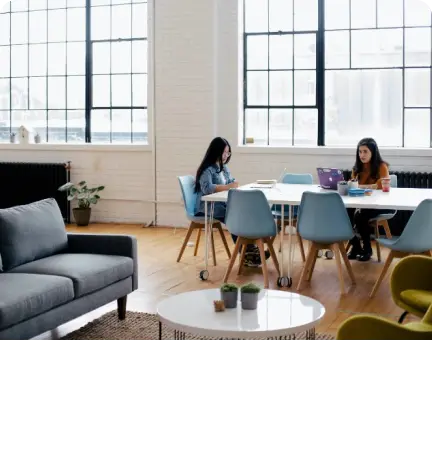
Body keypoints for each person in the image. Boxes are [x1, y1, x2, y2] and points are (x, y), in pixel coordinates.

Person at [194, 137, 269, 267]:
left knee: (242, 213)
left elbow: (231, 182)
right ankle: (246, 253)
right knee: (235, 217)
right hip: (209, 206)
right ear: (216, 151)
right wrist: (228, 187)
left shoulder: (224, 168)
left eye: (228, 153)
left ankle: (250, 250)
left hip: (222, 203)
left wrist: (233, 184)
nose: (226, 155)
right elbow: (207, 189)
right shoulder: (207, 169)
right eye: (224, 152)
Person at [347, 137, 391, 262]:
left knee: (360, 215)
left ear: (373, 152)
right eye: (360, 152)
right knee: (344, 212)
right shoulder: (357, 168)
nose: (362, 155)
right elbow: (353, 184)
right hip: (360, 202)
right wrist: (367, 186)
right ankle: (355, 246)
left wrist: (361, 186)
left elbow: (382, 185)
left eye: (365, 151)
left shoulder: (382, 166)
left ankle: (367, 249)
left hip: (379, 203)